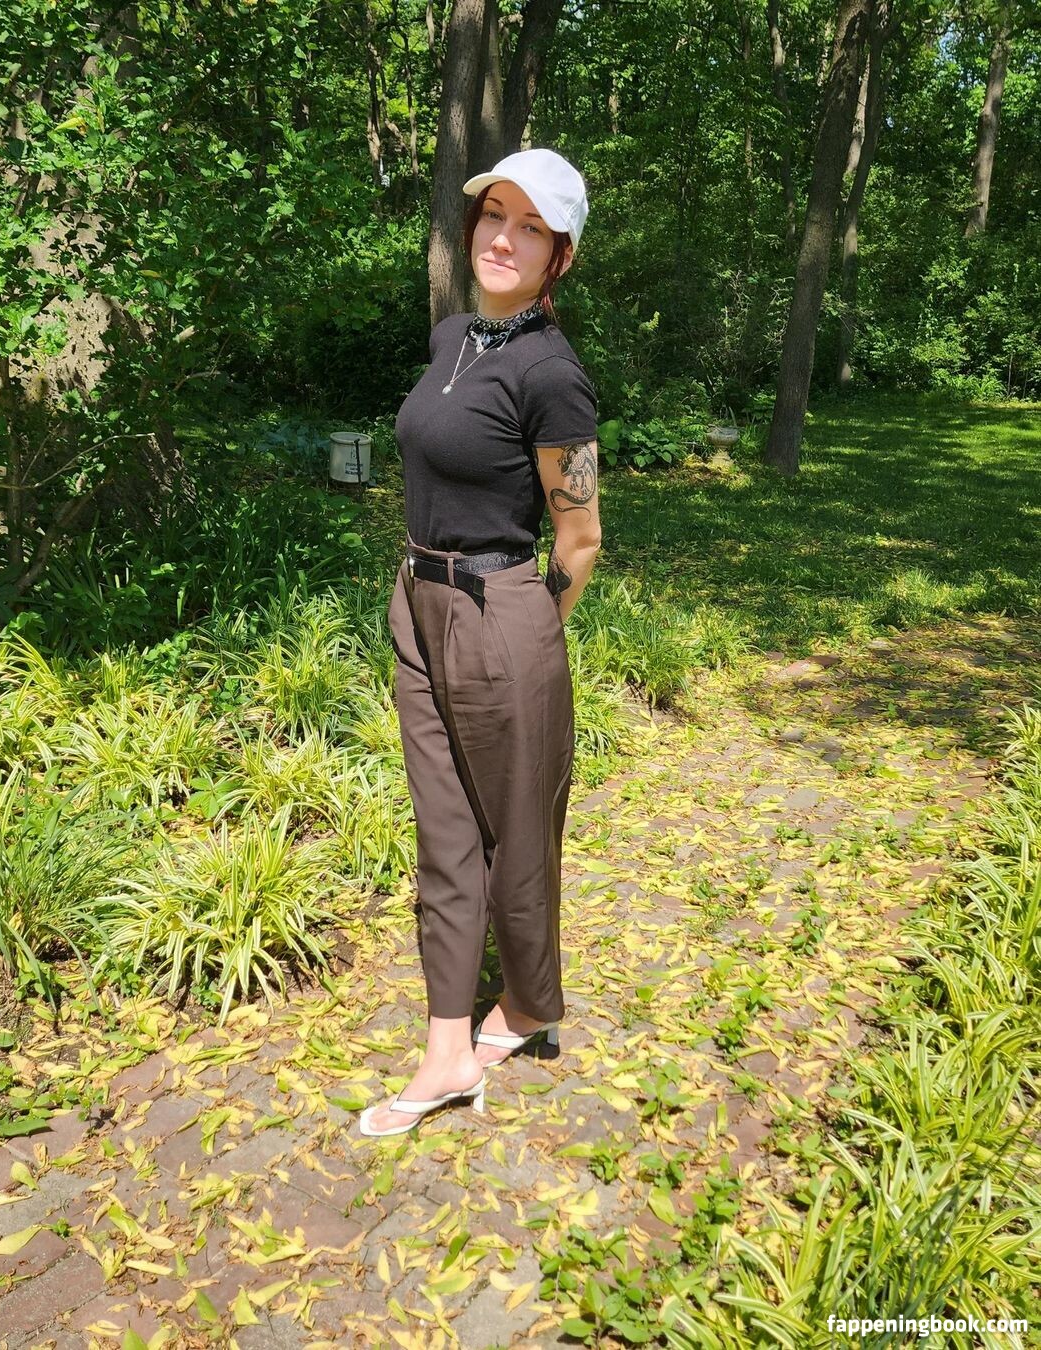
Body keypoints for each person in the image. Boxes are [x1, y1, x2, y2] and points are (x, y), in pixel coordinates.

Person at [359, 148, 602, 1137]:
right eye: (493, 215)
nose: (503, 238)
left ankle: (531, 1003)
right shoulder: (452, 336)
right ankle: (451, 1046)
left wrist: (524, 631)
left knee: (516, 830)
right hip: (418, 604)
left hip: (500, 611)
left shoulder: (554, 376)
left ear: (560, 255)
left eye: (530, 227)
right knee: (445, 828)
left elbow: (580, 539)